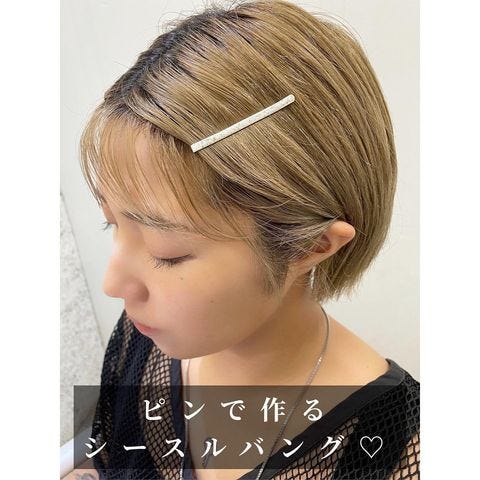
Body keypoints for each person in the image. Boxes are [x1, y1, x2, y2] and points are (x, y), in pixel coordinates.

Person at [67, 0, 419, 478]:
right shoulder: (143, 340)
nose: (114, 284)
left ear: (310, 245)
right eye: (112, 223)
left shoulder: (398, 455)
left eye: (166, 253)